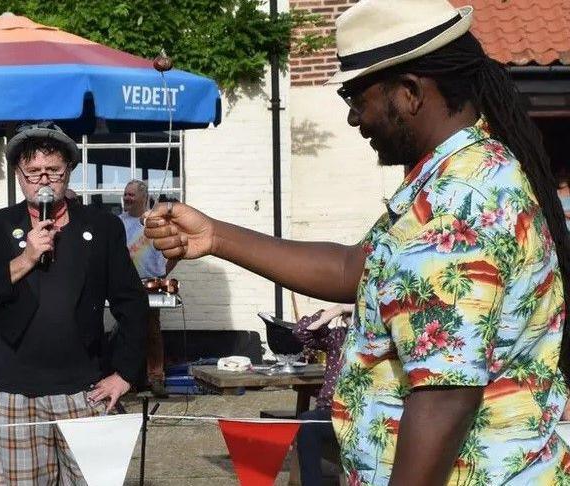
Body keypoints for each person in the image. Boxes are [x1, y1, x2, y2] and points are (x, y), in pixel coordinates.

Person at [144, 1, 570, 484]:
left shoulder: (458, 207)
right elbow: (355, 269)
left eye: (355, 97)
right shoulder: (457, 177)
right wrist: (216, 235)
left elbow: (444, 397)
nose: (352, 119)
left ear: (409, 92)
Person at [0, 121, 148, 485]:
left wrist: (125, 373)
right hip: (14, 393)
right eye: (33, 172)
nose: (43, 181)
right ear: (18, 174)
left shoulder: (102, 226)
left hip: (84, 388)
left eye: (53, 171)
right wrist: (25, 259)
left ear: (69, 171)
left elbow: (132, 302)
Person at [120, 180, 177, 398]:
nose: (127, 198)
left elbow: (176, 250)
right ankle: (129, 379)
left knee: (152, 331)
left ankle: (156, 379)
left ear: (143, 197)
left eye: (131, 195)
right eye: (125, 194)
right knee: (127, 332)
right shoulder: (119, 223)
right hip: (127, 284)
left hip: (151, 283)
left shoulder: (155, 222)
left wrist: (164, 272)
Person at [293, 304, 352, 486]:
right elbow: (301, 331)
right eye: (350, 317)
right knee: (308, 422)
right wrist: (341, 308)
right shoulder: (337, 337)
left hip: (360, 415)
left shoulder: (379, 342)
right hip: (330, 412)